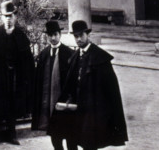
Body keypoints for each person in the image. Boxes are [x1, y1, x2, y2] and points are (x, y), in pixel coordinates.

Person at [51, 21, 128, 150]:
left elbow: (111, 90)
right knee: (70, 138)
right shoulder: (75, 56)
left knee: (89, 143)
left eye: (81, 35)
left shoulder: (100, 57)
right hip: (76, 108)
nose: (79, 39)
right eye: (76, 36)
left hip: (93, 111)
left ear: (88, 34)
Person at [0, 1, 35, 146]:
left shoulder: (21, 36)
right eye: (5, 16)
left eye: (10, 16)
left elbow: (27, 61)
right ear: (2, 17)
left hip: (14, 79)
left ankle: (12, 134)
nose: (8, 19)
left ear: (15, 16)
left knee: (12, 106)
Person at [32, 20, 75, 150]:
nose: (53, 37)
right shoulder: (44, 54)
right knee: (55, 137)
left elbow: (73, 80)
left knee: (70, 136)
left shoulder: (69, 54)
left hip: (64, 101)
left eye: (55, 34)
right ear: (47, 36)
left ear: (60, 34)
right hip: (48, 102)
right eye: (50, 35)